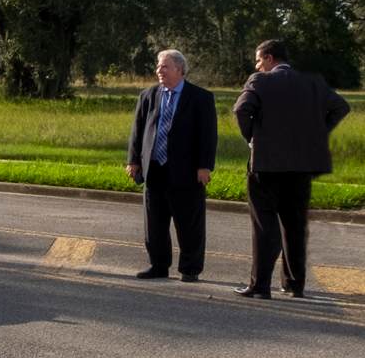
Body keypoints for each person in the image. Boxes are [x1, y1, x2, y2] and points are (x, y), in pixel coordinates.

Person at [231, 38, 350, 299]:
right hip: (302, 165)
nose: (257, 64)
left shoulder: (260, 81)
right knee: (295, 224)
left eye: (259, 59)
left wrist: (253, 139)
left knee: (264, 224)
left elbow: (241, 109)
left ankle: (260, 285)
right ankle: (294, 285)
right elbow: (341, 106)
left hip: (266, 164)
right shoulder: (313, 83)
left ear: (270, 59)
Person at [125, 49, 217, 283]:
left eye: (164, 66)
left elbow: (208, 135)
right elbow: (138, 130)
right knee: (154, 223)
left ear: (179, 69)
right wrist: (134, 160)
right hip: (154, 169)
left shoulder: (200, 97)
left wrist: (205, 166)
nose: (159, 70)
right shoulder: (148, 95)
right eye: (158, 66)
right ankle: (158, 265)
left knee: (189, 225)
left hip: (186, 171)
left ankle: (190, 268)